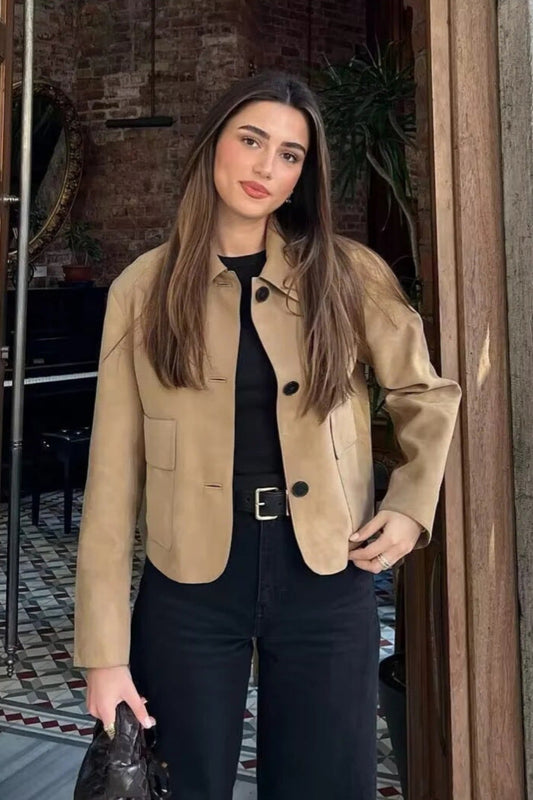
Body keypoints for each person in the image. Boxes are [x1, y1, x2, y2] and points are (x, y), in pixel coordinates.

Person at [74, 70, 462, 799]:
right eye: (251, 141)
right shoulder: (143, 290)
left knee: (326, 783)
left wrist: (410, 507)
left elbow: (426, 393)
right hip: (189, 584)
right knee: (180, 783)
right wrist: (103, 656)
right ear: (212, 146)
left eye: (289, 155)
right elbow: (111, 482)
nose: (266, 167)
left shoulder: (346, 275)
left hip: (327, 571)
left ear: (301, 176)